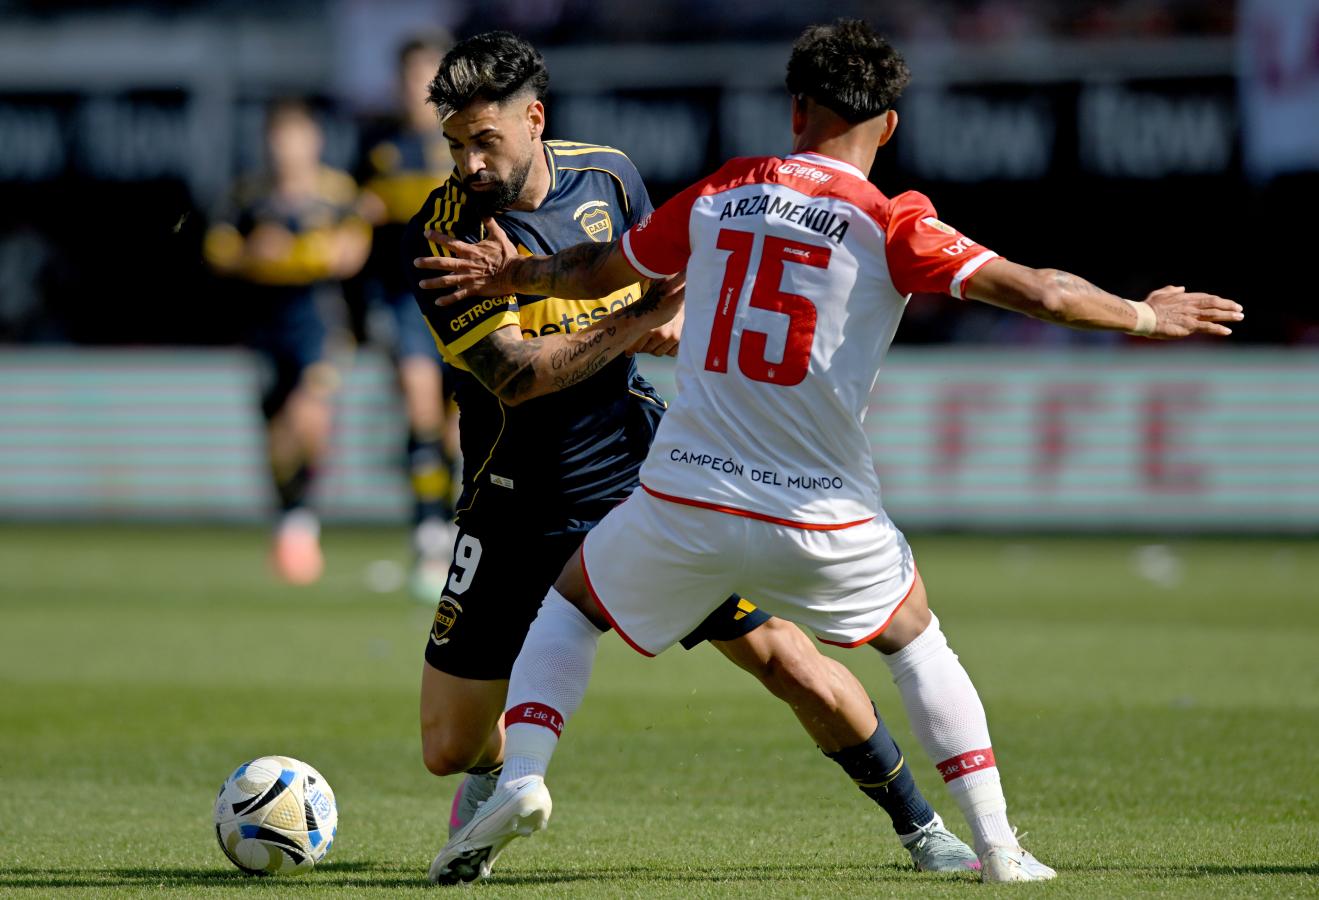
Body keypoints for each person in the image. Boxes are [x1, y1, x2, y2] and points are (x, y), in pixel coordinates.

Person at [419, 19, 1243, 885]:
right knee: (914, 642)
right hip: (814, 511)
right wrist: (1144, 315)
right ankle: (998, 845)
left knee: (573, 608)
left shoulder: (725, 187)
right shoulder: (893, 221)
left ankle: (524, 776)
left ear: (795, 111)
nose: (467, 160)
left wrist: (520, 276)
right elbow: (1045, 293)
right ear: (888, 126)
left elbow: (599, 269)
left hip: (682, 494)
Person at [404, 30, 977, 882]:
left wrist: (659, 318)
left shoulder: (608, 177)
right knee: (447, 746)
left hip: (649, 475)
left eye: (483, 140)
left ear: (534, 119)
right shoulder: (444, 232)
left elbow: (664, 287)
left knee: (784, 658)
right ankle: (495, 780)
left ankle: (923, 830)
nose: (469, 164)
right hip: (513, 492)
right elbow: (519, 378)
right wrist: (639, 320)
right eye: (455, 144)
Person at [204, 99, 371, 584]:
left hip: (317, 319)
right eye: (279, 140)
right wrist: (252, 255)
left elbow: (351, 252)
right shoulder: (248, 195)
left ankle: (303, 519)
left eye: (295, 139)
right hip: (266, 322)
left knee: (310, 412)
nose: (287, 150)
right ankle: (290, 516)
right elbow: (219, 250)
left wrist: (297, 252)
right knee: (277, 430)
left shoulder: (336, 193)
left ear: (314, 142)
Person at [354, 32, 464, 601]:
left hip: (464, 299)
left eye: (426, 76)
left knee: (457, 427)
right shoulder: (378, 147)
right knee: (419, 404)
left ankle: (453, 526)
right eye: (408, 77)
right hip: (405, 301)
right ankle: (426, 530)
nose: (416, 89)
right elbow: (355, 225)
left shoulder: (467, 142)